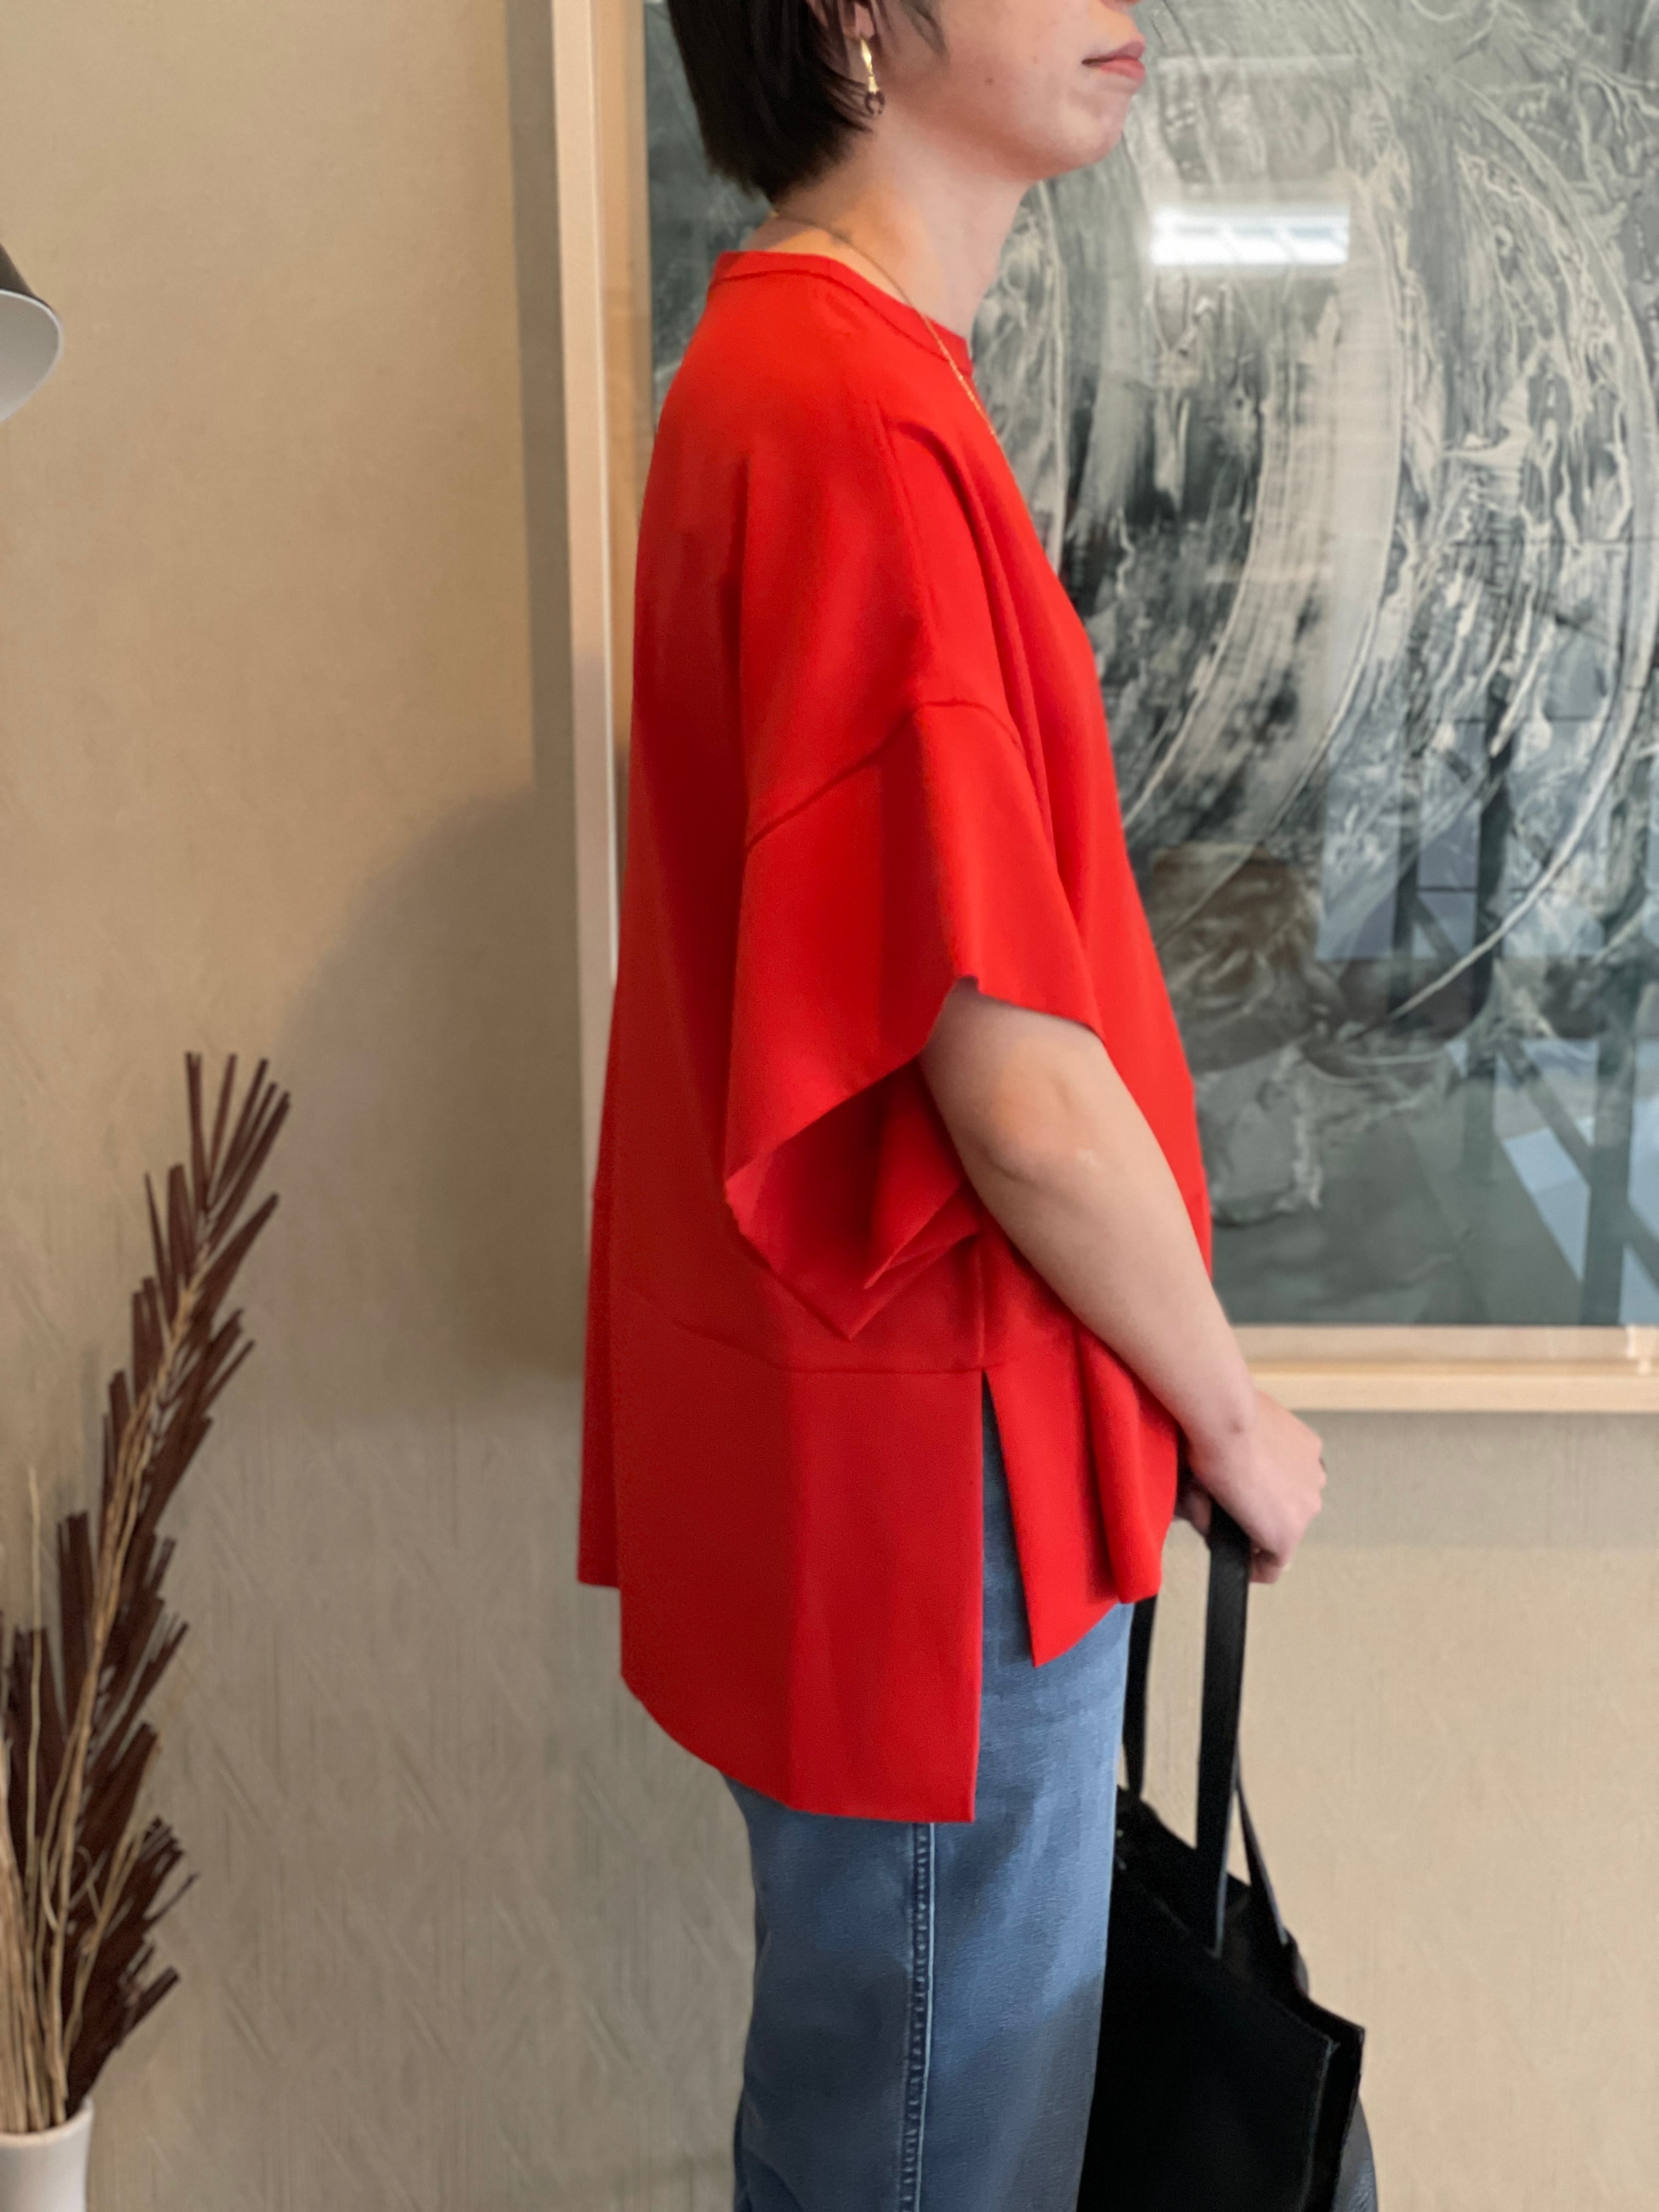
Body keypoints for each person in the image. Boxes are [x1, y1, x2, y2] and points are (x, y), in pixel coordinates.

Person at [579, 0, 1327, 2203]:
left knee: (885, 2120)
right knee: (929, 2152)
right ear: (848, 20)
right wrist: (1229, 1418)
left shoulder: (805, 376)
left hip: (896, 1462)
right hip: (940, 1493)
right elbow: (1014, 1088)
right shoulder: (852, 413)